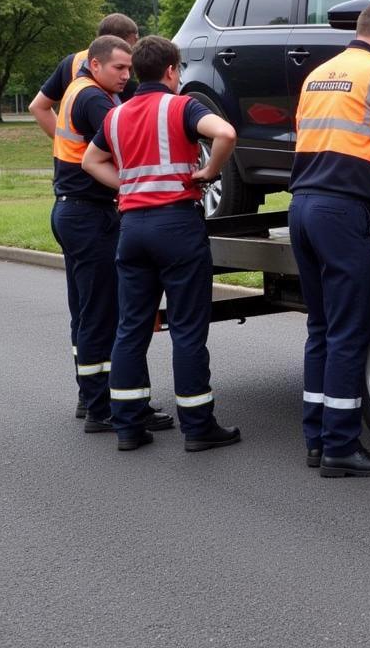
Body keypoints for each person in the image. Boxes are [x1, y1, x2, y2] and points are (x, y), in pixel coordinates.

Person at [82, 35, 240, 452]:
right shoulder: (182, 105)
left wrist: (130, 187)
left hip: (132, 229)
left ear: (136, 71)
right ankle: (198, 427)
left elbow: (89, 161)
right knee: (187, 329)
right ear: (172, 71)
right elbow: (224, 132)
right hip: (176, 227)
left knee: (131, 327)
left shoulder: (116, 116)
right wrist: (208, 172)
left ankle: (129, 427)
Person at [288, 1, 370, 478]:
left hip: (302, 207)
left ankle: (317, 439)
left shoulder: (318, 75)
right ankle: (341, 446)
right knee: (347, 332)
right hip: (341, 211)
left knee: (320, 329)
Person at [51, 35, 173, 437]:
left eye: (129, 68)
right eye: (119, 68)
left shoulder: (78, 88)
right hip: (89, 216)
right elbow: (128, 143)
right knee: (105, 315)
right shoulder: (95, 100)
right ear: (96, 64)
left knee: (92, 311)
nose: (127, 75)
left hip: (75, 211)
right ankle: (105, 408)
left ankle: (101, 401)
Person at [29, 13, 140, 139]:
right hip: (100, 154)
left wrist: (64, 143)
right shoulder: (122, 71)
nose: (134, 53)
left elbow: (38, 106)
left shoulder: (71, 61)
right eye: (131, 46)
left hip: (76, 156)